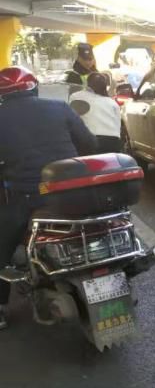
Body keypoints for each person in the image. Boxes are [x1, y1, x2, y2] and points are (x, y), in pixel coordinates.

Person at [0, 66, 97, 330]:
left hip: (30, 196)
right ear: (33, 87)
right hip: (72, 192)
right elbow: (89, 144)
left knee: (2, 246)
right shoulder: (59, 107)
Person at [68, 72, 122, 152]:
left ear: (87, 84)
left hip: (89, 141)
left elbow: (71, 118)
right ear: (105, 86)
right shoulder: (112, 103)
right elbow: (118, 126)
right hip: (113, 142)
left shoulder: (76, 96)